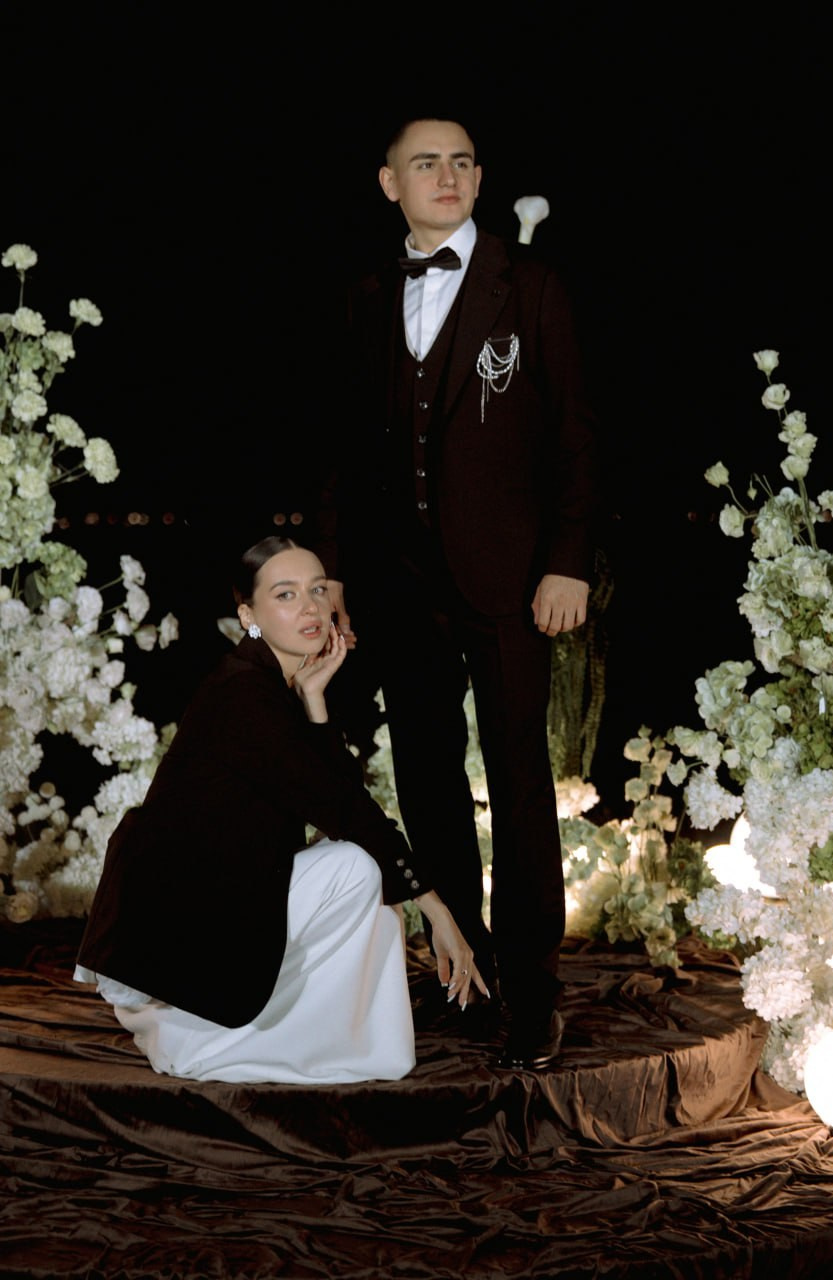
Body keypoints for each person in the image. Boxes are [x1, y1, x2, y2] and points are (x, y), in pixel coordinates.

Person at [317, 118, 598, 1071]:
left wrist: (567, 561)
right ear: (388, 182)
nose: (447, 175)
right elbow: (342, 453)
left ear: (479, 180)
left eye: (462, 162)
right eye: (426, 163)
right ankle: (464, 973)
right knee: (428, 780)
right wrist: (336, 573)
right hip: (398, 585)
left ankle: (532, 992)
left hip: (511, 580)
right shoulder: (364, 296)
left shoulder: (534, 285)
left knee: (518, 782)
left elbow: (575, 438)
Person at [75, 536, 486, 1085]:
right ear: (249, 616)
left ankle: (288, 1035)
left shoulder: (274, 684)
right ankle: (197, 1037)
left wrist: (315, 700)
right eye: (286, 594)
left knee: (367, 881)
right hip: (176, 931)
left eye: (318, 590)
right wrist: (437, 911)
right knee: (355, 867)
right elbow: (345, 809)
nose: (311, 607)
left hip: (211, 902)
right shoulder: (243, 693)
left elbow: (339, 795)